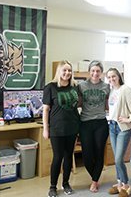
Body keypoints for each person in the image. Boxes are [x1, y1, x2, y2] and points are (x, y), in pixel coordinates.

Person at [43, 60, 80, 197]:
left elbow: (78, 106)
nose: (67, 73)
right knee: (58, 157)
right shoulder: (50, 87)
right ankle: (53, 186)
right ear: (59, 71)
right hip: (57, 129)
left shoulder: (75, 87)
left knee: (68, 156)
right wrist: (45, 129)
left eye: (69, 70)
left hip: (72, 127)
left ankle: (66, 183)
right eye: (64, 70)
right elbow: (46, 110)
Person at [106, 68, 131, 197]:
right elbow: (113, 108)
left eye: (114, 76)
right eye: (109, 77)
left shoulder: (125, 90)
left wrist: (130, 119)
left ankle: (126, 185)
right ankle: (119, 184)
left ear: (119, 76)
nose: (111, 79)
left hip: (123, 127)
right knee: (117, 158)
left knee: (118, 159)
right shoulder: (112, 91)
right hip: (112, 126)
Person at [78, 60, 110, 192]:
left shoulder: (106, 86)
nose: (95, 73)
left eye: (98, 71)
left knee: (99, 152)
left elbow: (108, 104)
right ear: (89, 71)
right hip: (85, 123)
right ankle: (95, 176)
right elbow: (78, 103)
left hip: (101, 123)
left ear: (101, 73)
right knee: (87, 155)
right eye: (93, 71)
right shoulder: (81, 86)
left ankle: (94, 181)